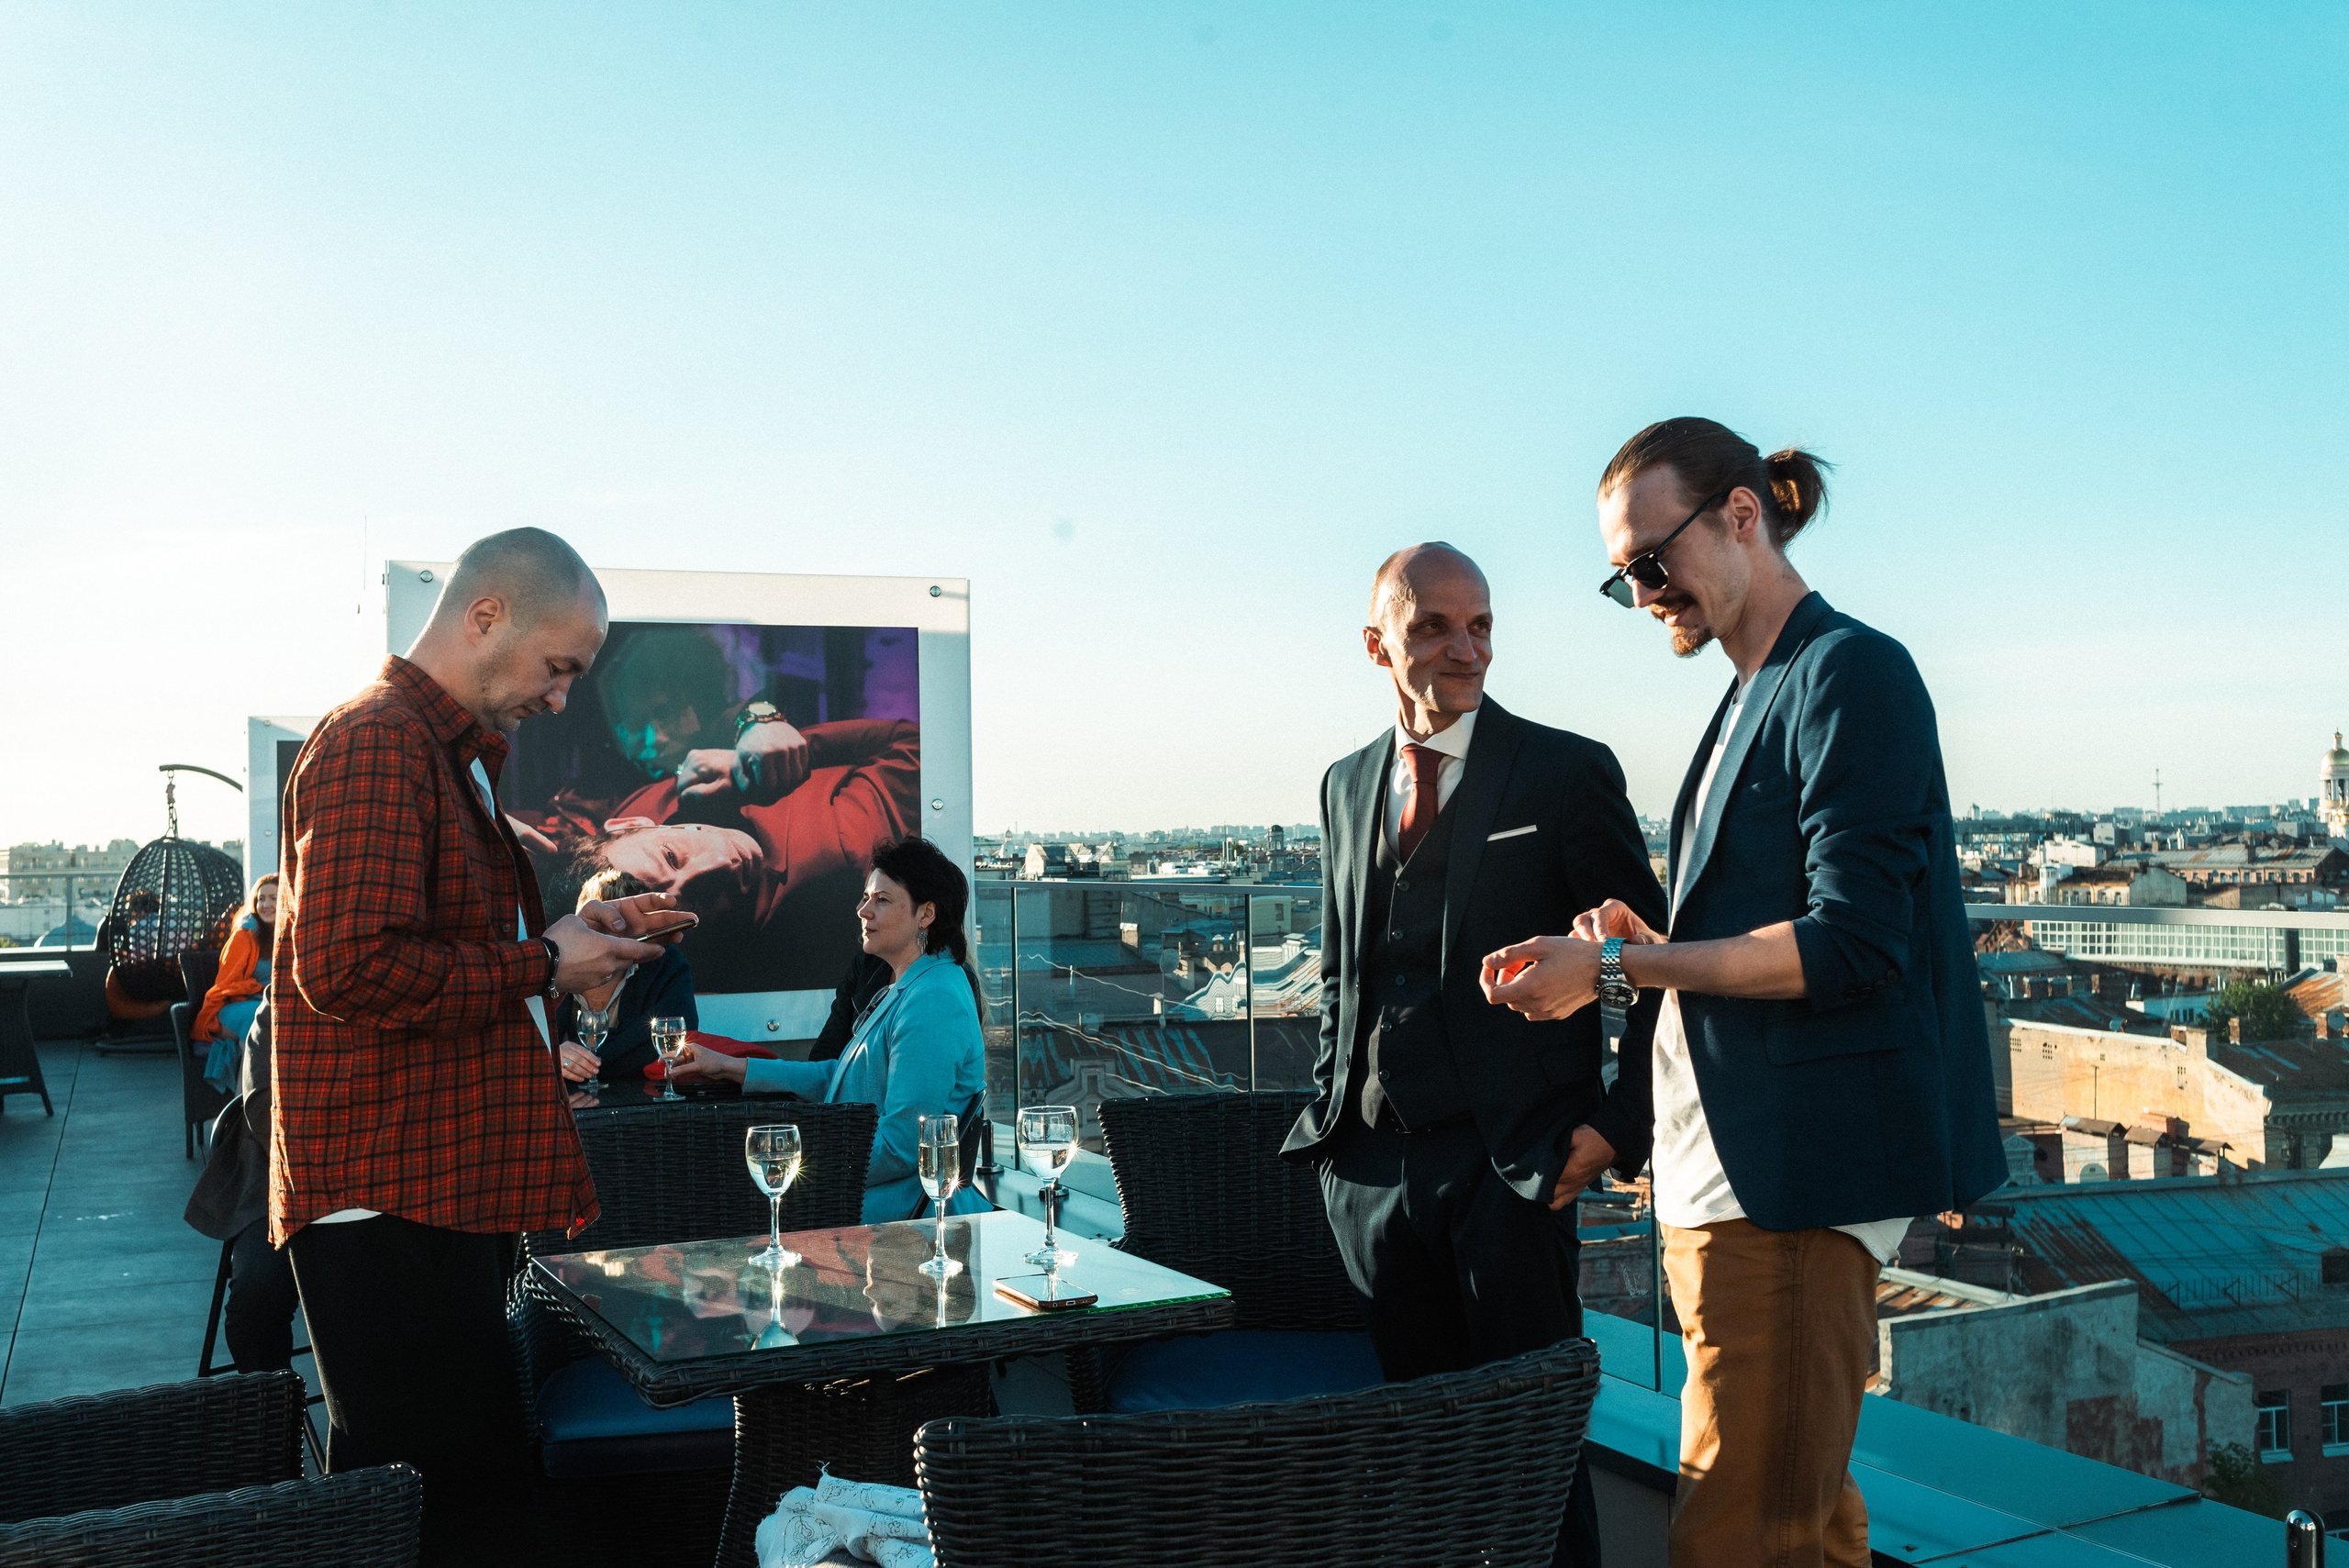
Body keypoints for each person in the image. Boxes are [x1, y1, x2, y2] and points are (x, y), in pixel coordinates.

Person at [1481, 418, 2005, 1568]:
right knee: (1802, 1526)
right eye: (1623, 577)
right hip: (1731, 1179)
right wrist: (1640, 937)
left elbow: (1849, 942)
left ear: (1739, 514)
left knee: (1740, 1538)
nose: (1642, 590)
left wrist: (1620, 967)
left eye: (1651, 559)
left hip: (1789, 1185)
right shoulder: (1751, 694)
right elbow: (1762, 929)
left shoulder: (1848, 671)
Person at [271, 526, 693, 1566]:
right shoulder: (378, 740)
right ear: (486, 615)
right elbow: (349, 968)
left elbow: (432, 953)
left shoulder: (436, 754)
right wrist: (541, 965)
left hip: (424, 1187)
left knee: (457, 1501)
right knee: (440, 1509)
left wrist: (580, 943)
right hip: (386, 1197)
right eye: (559, 669)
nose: (559, 699)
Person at [1277, 542, 1667, 1567]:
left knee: (1530, 1453)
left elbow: (1654, 959)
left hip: (1514, 1164)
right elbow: (1339, 969)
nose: (1466, 648)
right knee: (1414, 1449)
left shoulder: (1564, 769)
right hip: (1368, 1163)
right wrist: (1333, 1127)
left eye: (1481, 623)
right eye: (1434, 626)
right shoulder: (1343, 782)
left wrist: (1614, 1128)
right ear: (1377, 645)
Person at [671, 835, 989, 1225]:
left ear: (926, 915)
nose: (863, 910)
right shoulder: (910, 986)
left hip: (897, 1220)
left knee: (722, 1204)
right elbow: (838, 1076)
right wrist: (729, 1067)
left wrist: (800, 1169)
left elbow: (903, 1147)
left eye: (882, 900)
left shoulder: (933, 998)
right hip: (873, 1203)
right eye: (866, 897)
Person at [185, 999, 299, 1373]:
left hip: (384, 1185)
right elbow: (263, 1104)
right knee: (254, 1305)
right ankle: (276, 1420)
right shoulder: (280, 1001)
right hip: (279, 1178)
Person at [548, 866, 699, 1086]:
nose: (617, 936)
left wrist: (577, 1061)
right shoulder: (555, 963)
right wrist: (551, 1057)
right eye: (603, 925)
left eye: (625, 924)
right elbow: (522, 1042)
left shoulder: (665, 962)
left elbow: (676, 1039)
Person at [193, 873, 277, 1091]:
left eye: (273, 898)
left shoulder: (291, 934)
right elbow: (225, 985)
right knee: (258, 1017)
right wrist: (261, 989)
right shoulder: (244, 936)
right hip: (230, 1009)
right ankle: (242, 1105)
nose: (265, 904)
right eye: (261, 899)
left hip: (272, 1006)